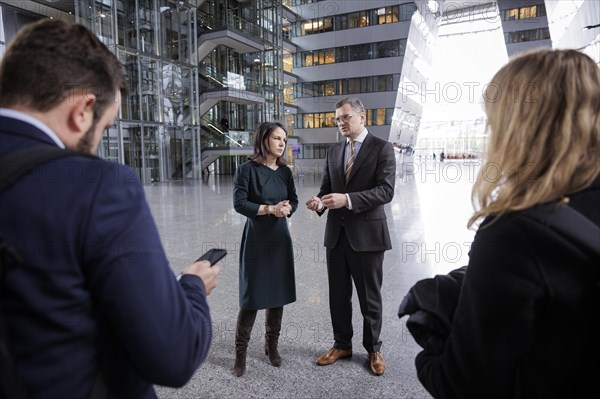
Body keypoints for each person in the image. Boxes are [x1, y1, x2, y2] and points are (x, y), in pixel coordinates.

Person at [0, 20, 220, 398]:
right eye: (105, 127)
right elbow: (174, 355)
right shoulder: (98, 187)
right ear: (83, 110)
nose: (97, 143)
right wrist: (193, 288)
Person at [407, 49, 600, 398]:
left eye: (494, 121)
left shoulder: (515, 230)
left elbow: (463, 384)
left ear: (519, 127)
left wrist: (429, 350)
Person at [306, 97, 396, 376]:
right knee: (338, 295)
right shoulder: (334, 152)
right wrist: (320, 203)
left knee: (370, 297)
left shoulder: (382, 148)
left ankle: (373, 348)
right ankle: (342, 344)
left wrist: (347, 199)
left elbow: (386, 191)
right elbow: (325, 188)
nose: (340, 123)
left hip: (368, 236)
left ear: (362, 117)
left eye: (345, 117)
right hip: (336, 236)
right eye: (337, 119)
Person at [232, 122, 298, 377]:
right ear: (264, 140)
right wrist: (269, 209)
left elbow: (293, 199)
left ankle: (271, 347)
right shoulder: (246, 170)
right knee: (252, 298)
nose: (282, 143)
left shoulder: (285, 172)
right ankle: (240, 354)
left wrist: (288, 208)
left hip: (280, 239)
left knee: (277, 295)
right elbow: (239, 203)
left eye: (285, 139)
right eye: (277, 138)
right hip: (257, 239)